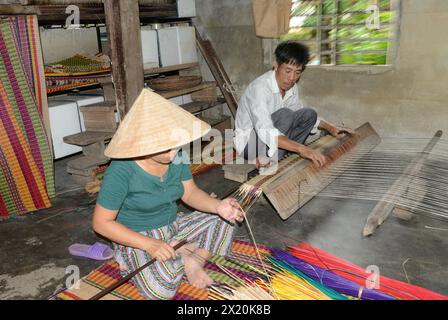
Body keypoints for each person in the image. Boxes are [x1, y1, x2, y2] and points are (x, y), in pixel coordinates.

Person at [92, 89, 244, 300]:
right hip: (137, 236)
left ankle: (193, 260)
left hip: (174, 225)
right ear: (143, 142)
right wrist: (149, 244)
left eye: (175, 145)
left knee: (226, 217)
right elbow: (101, 224)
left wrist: (219, 207)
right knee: (161, 289)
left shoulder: (176, 156)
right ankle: (158, 254)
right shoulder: (121, 170)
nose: (173, 153)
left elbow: (190, 193)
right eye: (164, 148)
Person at [234, 41, 355, 169]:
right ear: (276, 65)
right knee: (286, 115)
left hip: (274, 139)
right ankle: (269, 161)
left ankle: (282, 156)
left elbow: (299, 111)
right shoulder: (259, 88)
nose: (292, 78)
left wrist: (331, 127)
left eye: (297, 72)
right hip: (250, 145)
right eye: (288, 71)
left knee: (309, 114)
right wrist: (302, 149)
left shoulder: (291, 87)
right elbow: (265, 130)